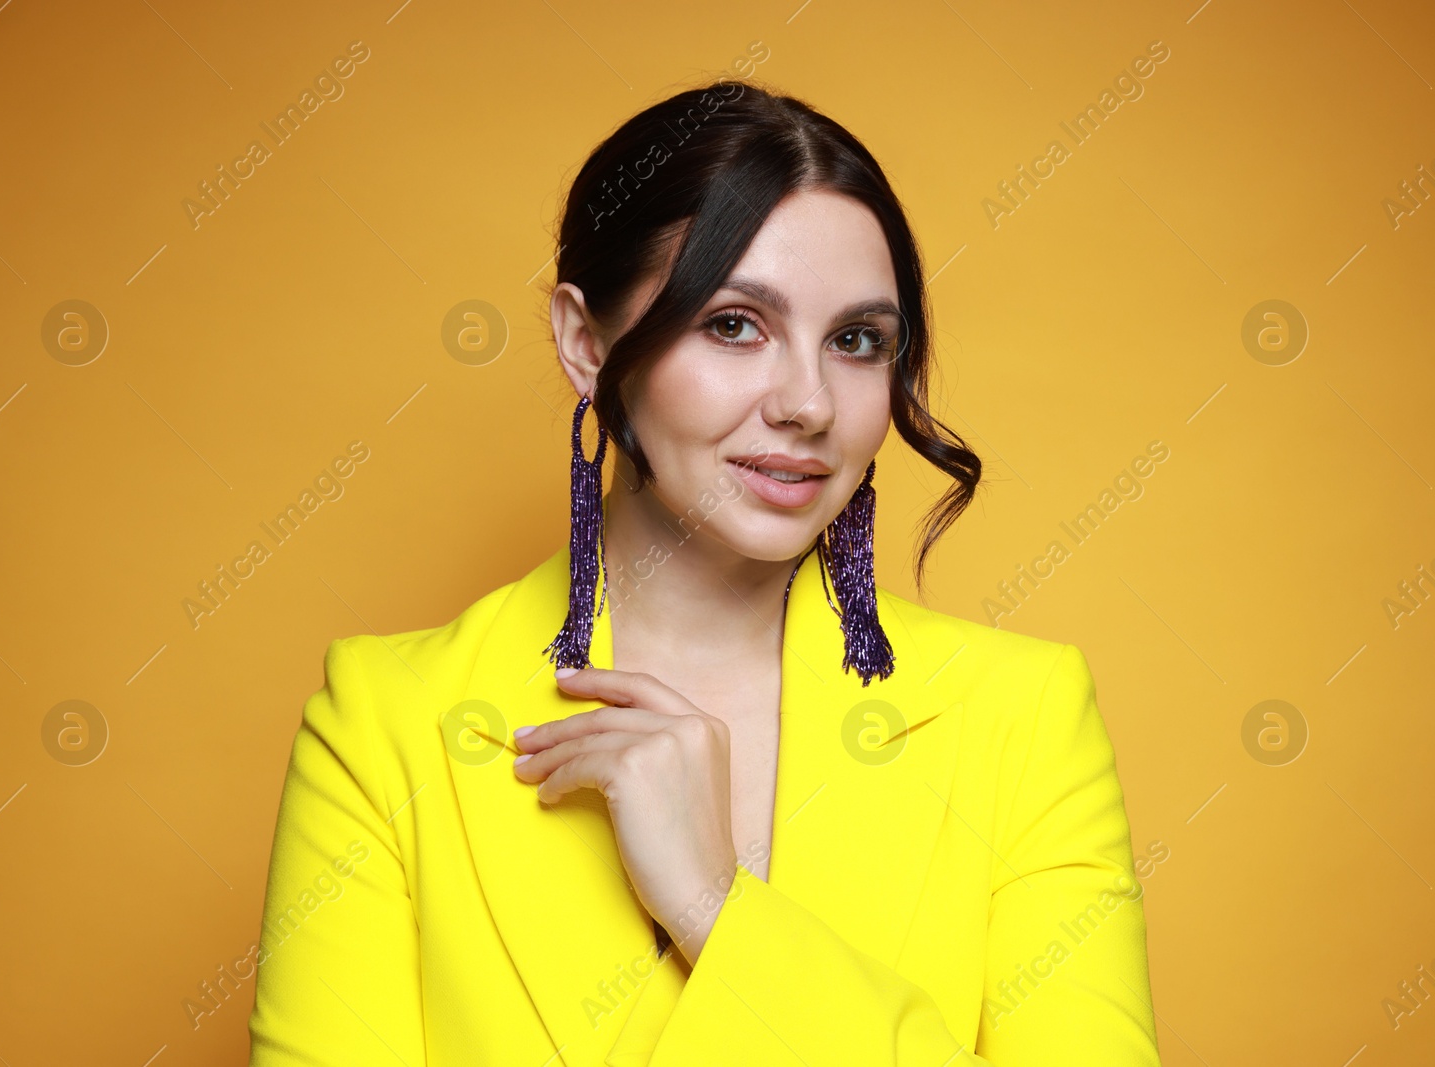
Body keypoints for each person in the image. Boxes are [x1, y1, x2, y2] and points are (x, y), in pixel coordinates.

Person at [247, 78, 1161, 1066]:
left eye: (857, 340)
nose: (807, 401)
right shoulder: (386, 723)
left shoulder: (1019, 718)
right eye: (734, 323)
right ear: (585, 343)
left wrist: (715, 909)